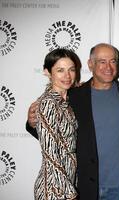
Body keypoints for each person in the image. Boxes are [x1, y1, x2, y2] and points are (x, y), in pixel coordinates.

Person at [26, 43, 119, 200]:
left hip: (117, 187)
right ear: (90, 64)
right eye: (102, 61)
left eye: (113, 61)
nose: (108, 67)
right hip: (81, 186)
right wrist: (32, 122)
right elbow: (52, 139)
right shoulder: (74, 96)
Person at [34, 48, 81, 200]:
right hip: (55, 189)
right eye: (60, 70)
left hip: (68, 181)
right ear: (47, 72)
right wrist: (69, 193)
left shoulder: (67, 101)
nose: (67, 76)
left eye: (71, 70)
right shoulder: (48, 103)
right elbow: (50, 154)